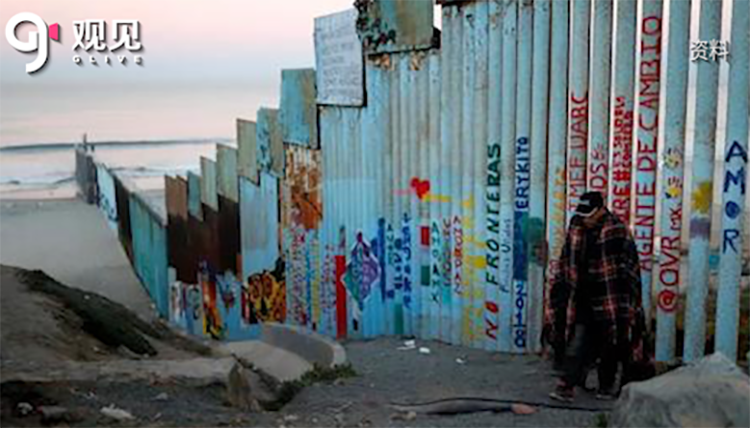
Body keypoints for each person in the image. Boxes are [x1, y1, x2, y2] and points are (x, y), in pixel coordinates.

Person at [548, 191, 649, 402]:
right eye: (583, 214)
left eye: (590, 214)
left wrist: (631, 300)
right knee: (577, 341)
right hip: (582, 295)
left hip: (610, 296)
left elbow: (630, 267)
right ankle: (567, 385)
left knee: (611, 342)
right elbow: (566, 258)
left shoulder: (616, 229)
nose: (586, 219)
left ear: (601, 210)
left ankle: (605, 386)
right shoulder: (576, 226)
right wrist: (560, 288)